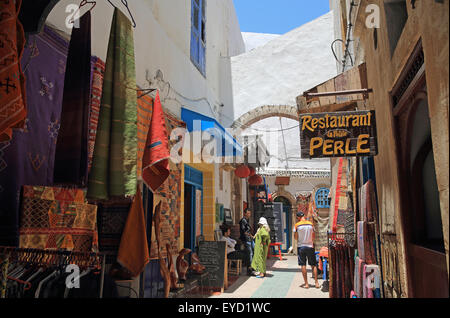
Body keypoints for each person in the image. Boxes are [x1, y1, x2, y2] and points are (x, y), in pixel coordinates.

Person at [293, 212, 320, 289]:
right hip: (310, 246)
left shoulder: (297, 225)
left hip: (301, 246)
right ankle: (316, 282)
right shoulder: (311, 224)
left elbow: (295, 237)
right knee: (313, 265)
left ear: (298, 217)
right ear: (304, 216)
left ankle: (306, 284)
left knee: (303, 265)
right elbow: (313, 236)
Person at [239, 208, 254, 275]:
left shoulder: (247, 220)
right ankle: (249, 270)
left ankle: (252, 266)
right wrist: (250, 235)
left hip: (250, 239)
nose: (249, 214)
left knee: (253, 251)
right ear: (244, 213)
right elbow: (244, 232)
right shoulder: (243, 221)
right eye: (247, 213)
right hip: (246, 239)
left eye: (249, 213)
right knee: (249, 254)